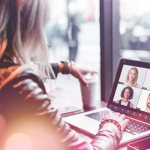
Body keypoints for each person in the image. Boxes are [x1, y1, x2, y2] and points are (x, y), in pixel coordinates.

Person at [0, 0, 129, 149]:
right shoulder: (20, 84)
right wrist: (111, 127)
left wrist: (65, 67)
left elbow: (11, 68)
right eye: (44, 22)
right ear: (29, 23)